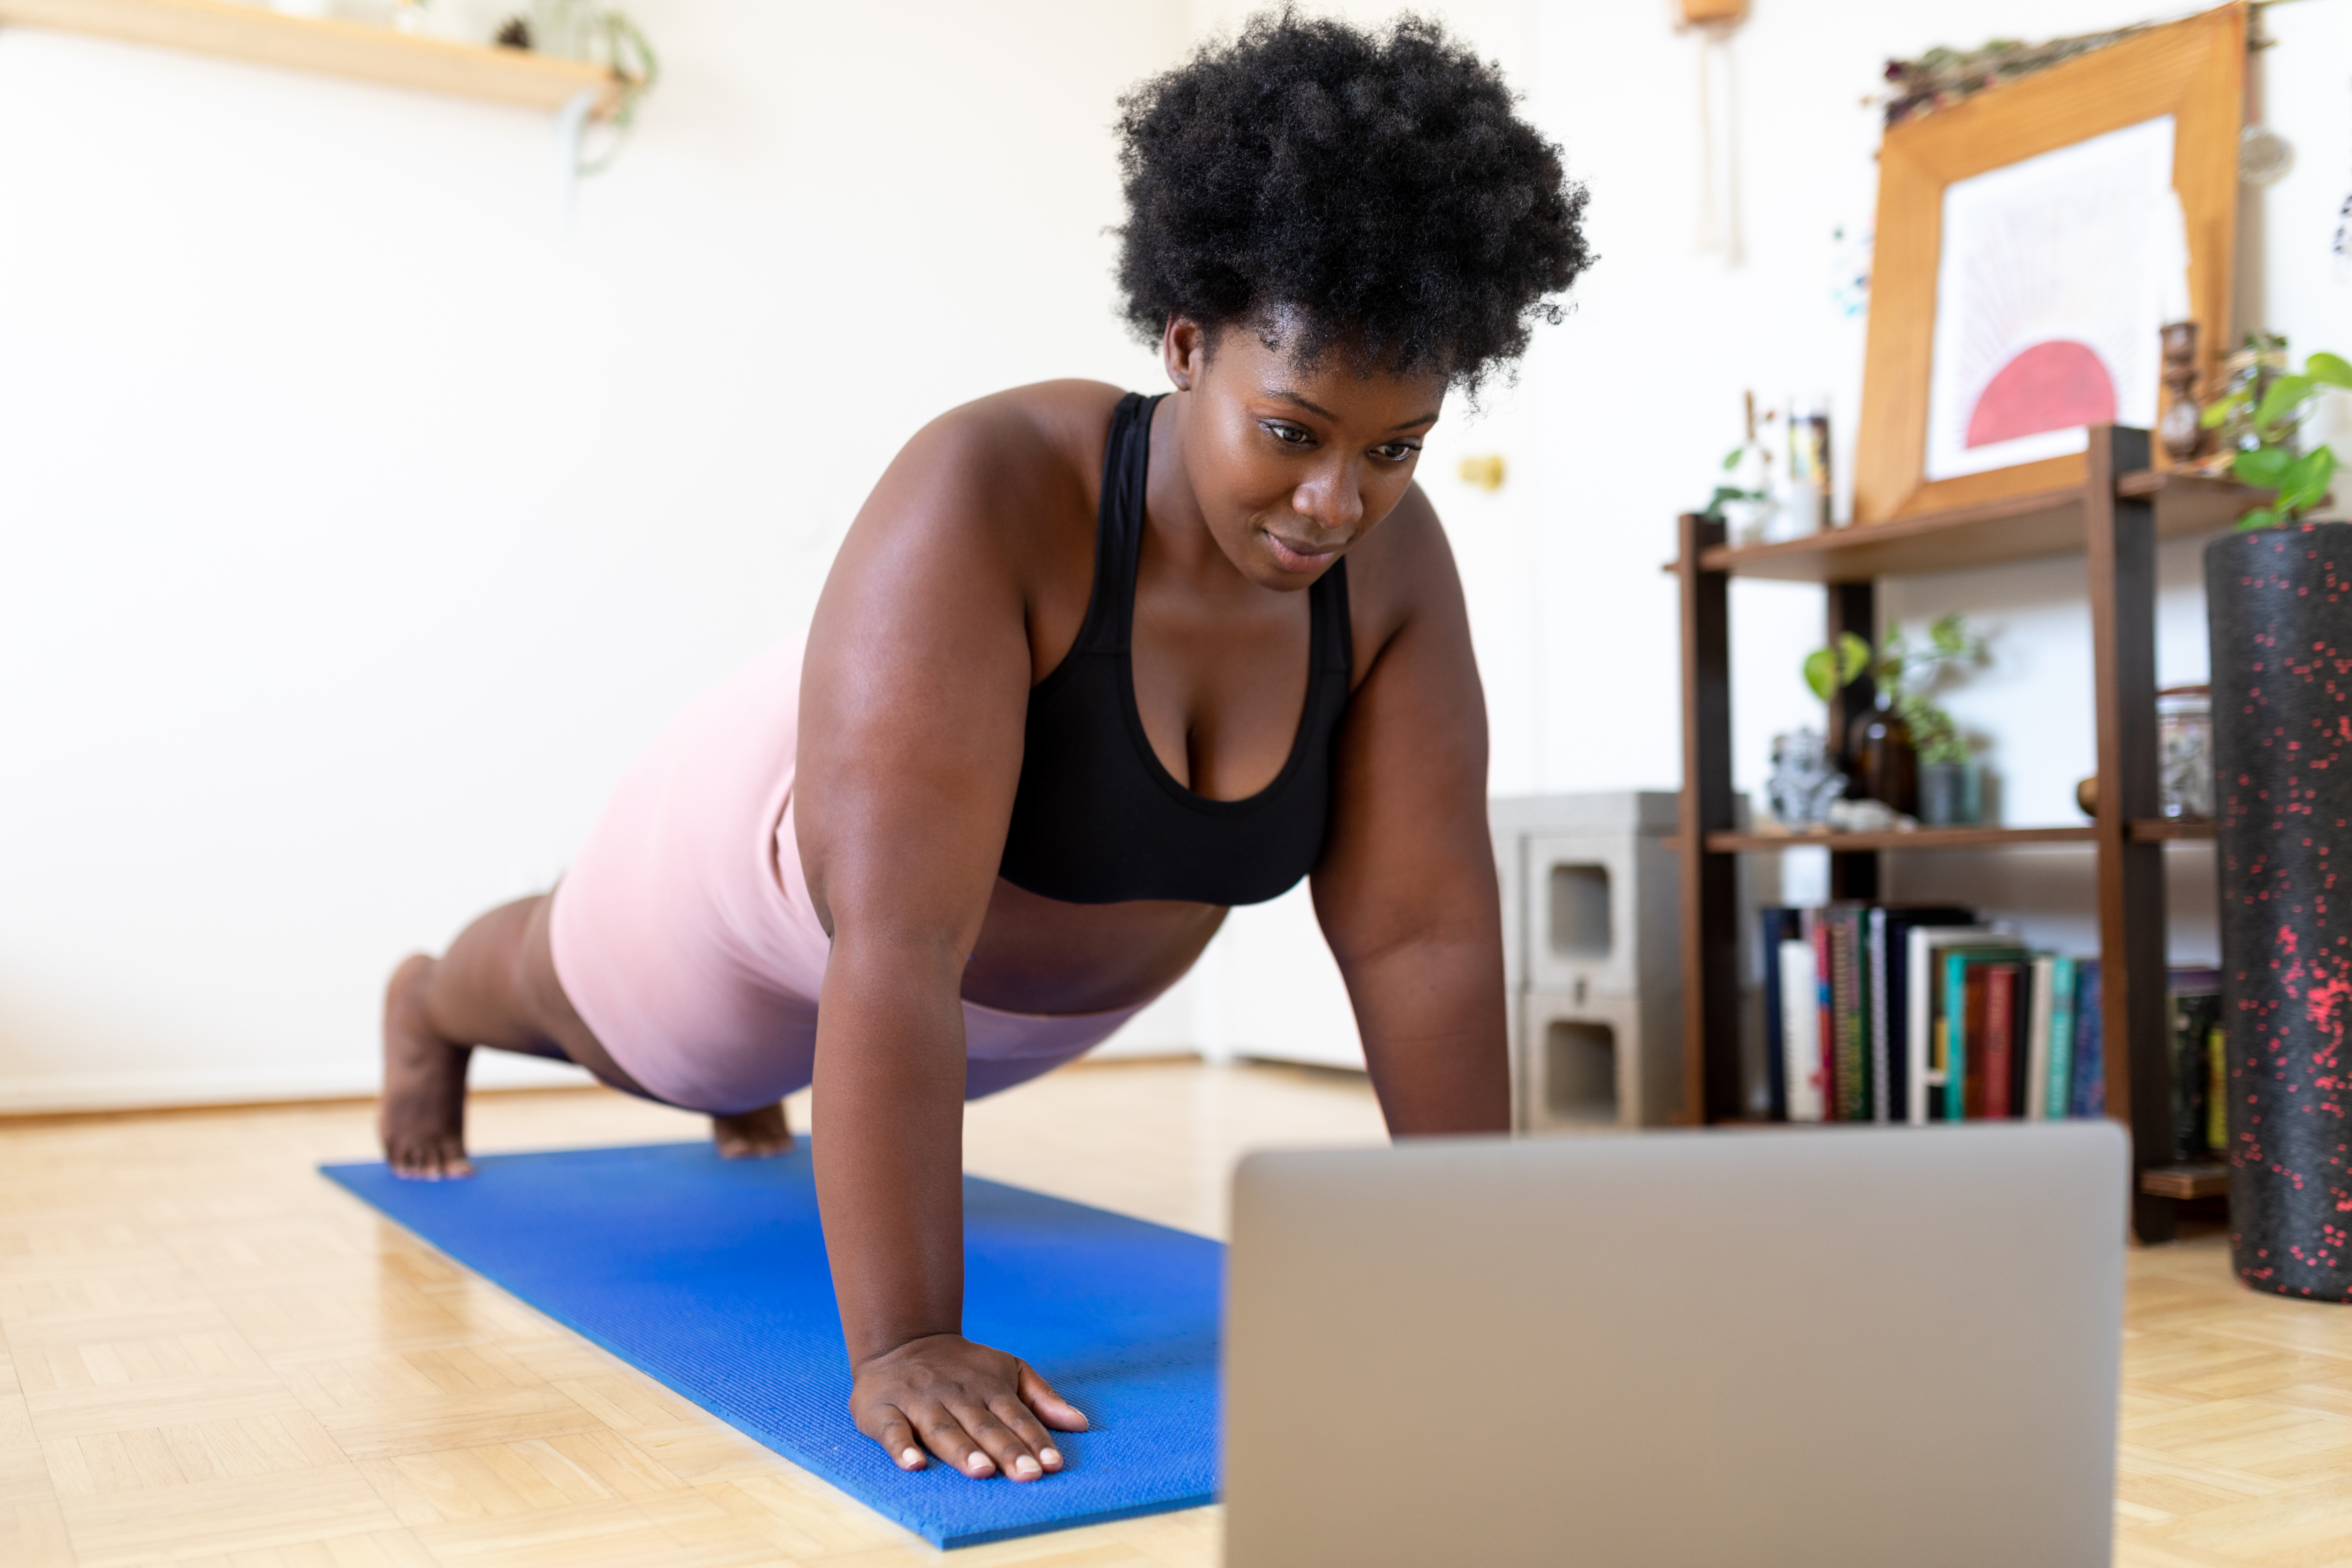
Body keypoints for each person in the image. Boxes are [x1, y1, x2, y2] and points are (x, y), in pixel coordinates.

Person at [377, 10, 1590, 1484]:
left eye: (1395, 448)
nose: (1339, 501)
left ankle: (747, 1084)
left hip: (997, 1021)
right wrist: (903, 1340)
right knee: (609, 1028)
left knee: (774, 1073)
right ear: (1188, 344)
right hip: (780, 892)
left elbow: (1423, 939)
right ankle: (428, 1003)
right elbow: (890, 944)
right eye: (1294, 431)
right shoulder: (989, 491)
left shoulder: (1392, 578)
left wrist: (1484, 1272)